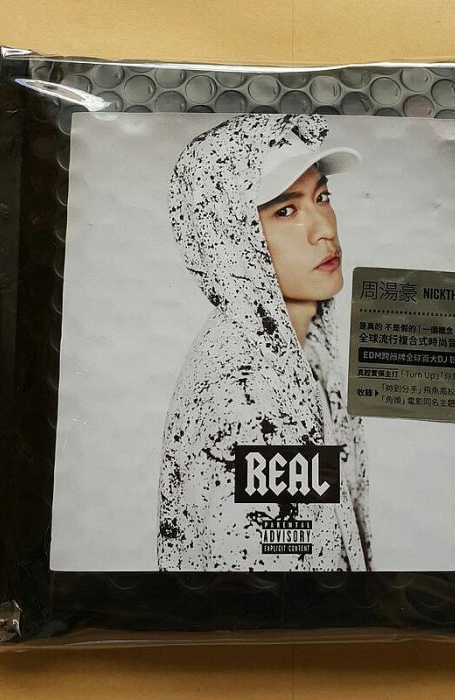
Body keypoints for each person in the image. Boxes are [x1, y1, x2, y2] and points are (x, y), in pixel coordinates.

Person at [158, 113, 371, 572]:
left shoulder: (305, 356)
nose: (324, 229)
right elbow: (266, 584)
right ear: (232, 243)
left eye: (322, 197)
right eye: (285, 211)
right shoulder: (246, 396)